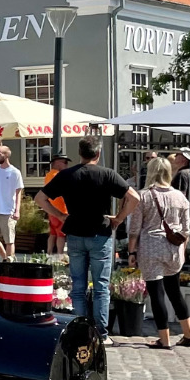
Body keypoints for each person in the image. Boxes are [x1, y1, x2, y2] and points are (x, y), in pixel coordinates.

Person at [37, 138, 139, 340]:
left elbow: (40, 198)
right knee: (101, 286)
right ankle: (101, 333)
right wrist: (118, 218)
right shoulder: (107, 174)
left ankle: (79, 329)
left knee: (78, 286)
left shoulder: (67, 175)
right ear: (98, 153)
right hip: (100, 233)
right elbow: (134, 198)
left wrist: (60, 215)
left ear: (80, 153)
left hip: (74, 232)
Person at [129, 157, 190, 349]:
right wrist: (182, 249)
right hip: (174, 249)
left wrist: (131, 251)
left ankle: (164, 339)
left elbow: (135, 228)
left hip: (151, 247)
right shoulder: (180, 197)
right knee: (175, 291)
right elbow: (186, 229)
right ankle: (188, 334)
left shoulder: (144, 196)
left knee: (157, 293)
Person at [0, 145, 23, 260]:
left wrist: (17, 210)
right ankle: (5, 259)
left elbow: (18, 192)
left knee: (9, 240)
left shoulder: (15, 172)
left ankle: (9, 264)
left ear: (6, 155)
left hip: (8, 210)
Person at [43, 153, 71, 255]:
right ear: (58, 163)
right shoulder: (58, 176)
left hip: (51, 209)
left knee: (52, 233)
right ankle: (60, 255)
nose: (67, 165)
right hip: (61, 210)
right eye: (65, 163)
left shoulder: (48, 175)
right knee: (61, 235)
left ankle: (49, 253)